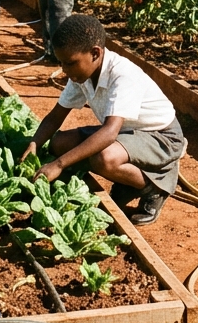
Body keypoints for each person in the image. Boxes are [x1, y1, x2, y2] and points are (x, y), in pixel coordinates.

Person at [22, 15, 186, 225]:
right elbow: (55, 117)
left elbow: (109, 133)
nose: (65, 70)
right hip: (126, 133)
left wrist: (59, 165)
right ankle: (126, 181)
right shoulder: (81, 74)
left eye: (70, 63)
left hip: (161, 137)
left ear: (95, 53)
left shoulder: (122, 75)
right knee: (58, 143)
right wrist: (34, 144)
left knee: (103, 158)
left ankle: (153, 189)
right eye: (61, 63)